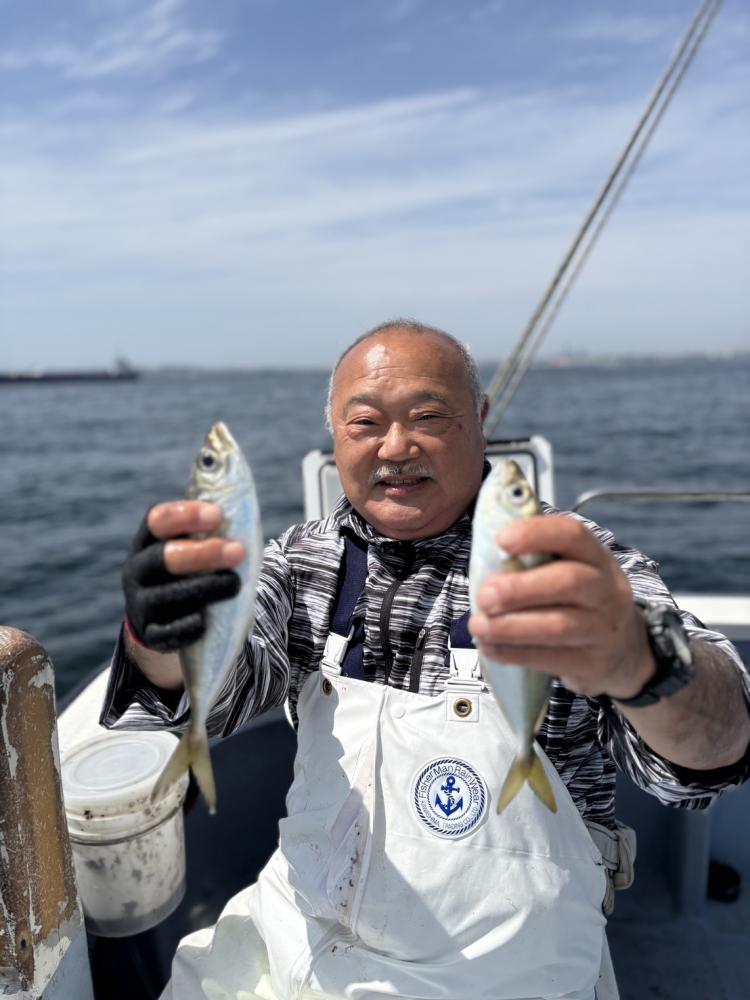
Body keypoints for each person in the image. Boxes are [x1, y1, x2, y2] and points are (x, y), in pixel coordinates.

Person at [102, 320, 750, 1000]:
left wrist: (644, 661)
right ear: (334, 434)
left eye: (428, 416)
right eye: (364, 422)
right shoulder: (299, 562)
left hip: (514, 969)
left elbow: (710, 760)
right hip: (296, 934)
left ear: (481, 419)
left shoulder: (572, 562)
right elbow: (222, 695)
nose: (395, 446)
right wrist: (163, 635)